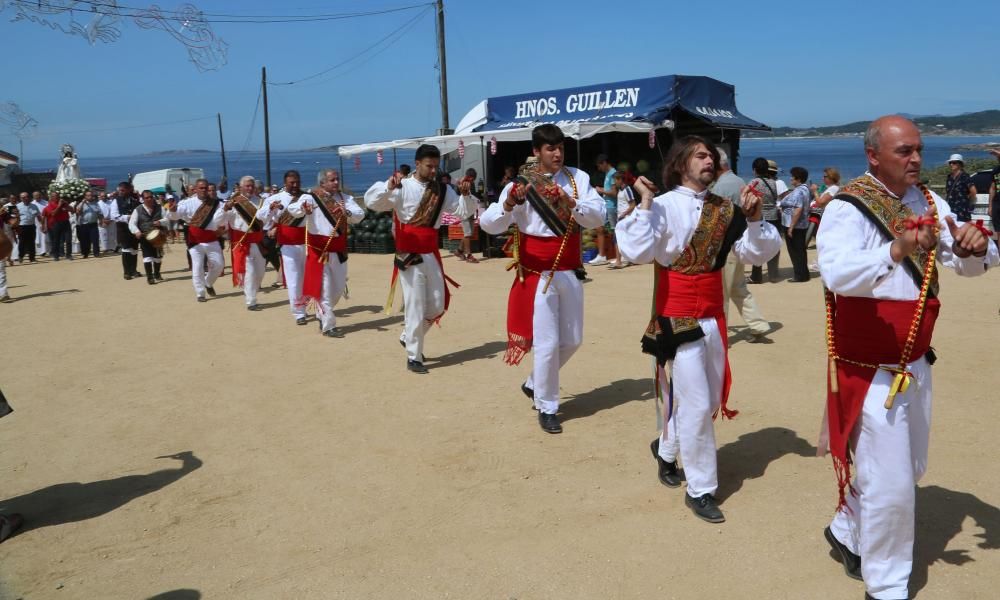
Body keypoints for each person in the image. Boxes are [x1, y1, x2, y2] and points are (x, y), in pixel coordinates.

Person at [817, 116, 998, 600]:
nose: (917, 158)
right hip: (871, 367)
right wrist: (894, 250)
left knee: (906, 467)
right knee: (893, 483)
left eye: (919, 149)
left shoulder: (930, 202)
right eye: (905, 151)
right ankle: (888, 587)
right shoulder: (848, 206)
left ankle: (844, 528)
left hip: (916, 358)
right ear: (873, 155)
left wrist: (975, 247)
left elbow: (970, 264)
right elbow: (835, 274)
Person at [616, 135, 781, 523]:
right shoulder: (661, 206)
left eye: (712, 156)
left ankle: (667, 449)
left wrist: (755, 219)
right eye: (701, 155)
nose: (710, 160)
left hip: (712, 314)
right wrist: (642, 204)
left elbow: (756, 253)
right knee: (694, 404)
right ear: (680, 164)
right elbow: (638, 252)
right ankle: (702, 488)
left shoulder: (725, 209)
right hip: (678, 317)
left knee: (704, 403)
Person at [481, 124, 605, 433]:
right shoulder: (519, 185)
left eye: (560, 147)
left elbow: (598, 215)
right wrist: (509, 204)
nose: (557, 153)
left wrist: (571, 202)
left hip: (570, 270)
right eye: (550, 148)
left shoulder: (579, 179)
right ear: (536, 152)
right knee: (548, 343)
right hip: (539, 275)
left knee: (573, 339)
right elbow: (488, 224)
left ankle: (535, 381)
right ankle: (547, 405)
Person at [364, 144, 476, 374]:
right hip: (409, 253)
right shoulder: (402, 186)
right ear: (417, 164)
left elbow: (463, 212)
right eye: (429, 166)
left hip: (430, 252)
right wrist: (388, 186)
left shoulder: (443, 190)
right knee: (415, 304)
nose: (434, 170)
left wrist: (466, 195)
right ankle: (414, 356)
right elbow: (372, 202)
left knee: (437, 304)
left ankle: (408, 336)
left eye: (436, 166)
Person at [288, 168, 365, 336]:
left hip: (339, 250)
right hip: (319, 251)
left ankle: (321, 314)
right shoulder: (311, 197)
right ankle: (328, 325)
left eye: (337, 179)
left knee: (337, 289)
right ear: (322, 182)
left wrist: (347, 212)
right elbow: (293, 209)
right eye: (332, 180)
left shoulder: (345, 199)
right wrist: (303, 209)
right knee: (325, 289)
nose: (336, 182)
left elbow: (360, 214)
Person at [712, 150, 771, 341]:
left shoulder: (720, 188)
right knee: (738, 287)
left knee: (722, 292)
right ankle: (758, 325)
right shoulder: (739, 181)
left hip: (726, 245)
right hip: (740, 242)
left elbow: (715, 220)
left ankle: (720, 334)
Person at [265, 170, 314, 324]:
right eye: (291, 182)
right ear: (285, 183)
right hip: (287, 244)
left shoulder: (308, 197)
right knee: (294, 279)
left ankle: (306, 302)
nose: (295, 185)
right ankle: (299, 312)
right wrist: (271, 211)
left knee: (308, 276)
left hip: (307, 242)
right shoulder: (274, 199)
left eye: (297, 182)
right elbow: (264, 218)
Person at [167, 178, 227, 302]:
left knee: (219, 265)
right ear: (195, 189)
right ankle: (200, 293)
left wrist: (223, 229)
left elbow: (224, 218)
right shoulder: (187, 203)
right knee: (198, 266)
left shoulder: (217, 203)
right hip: (195, 239)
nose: (204, 190)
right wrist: (172, 211)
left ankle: (208, 283)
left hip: (211, 238)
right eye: (201, 188)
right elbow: (175, 215)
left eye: (206, 188)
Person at [225, 176, 271, 311]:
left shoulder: (262, 202)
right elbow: (219, 220)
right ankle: (251, 301)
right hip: (242, 242)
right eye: (247, 186)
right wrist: (225, 209)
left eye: (252, 186)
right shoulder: (234, 203)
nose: (250, 188)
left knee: (260, 271)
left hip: (258, 241)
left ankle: (251, 291)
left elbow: (267, 219)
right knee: (250, 271)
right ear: (240, 188)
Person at [747, 158, 782, 283]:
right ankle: (773, 274)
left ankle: (756, 276)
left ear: (755, 170)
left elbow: (750, 199)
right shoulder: (772, 182)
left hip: (760, 216)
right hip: (773, 215)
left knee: (758, 245)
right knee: (771, 243)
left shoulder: (753, 182)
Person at [128, 190, 167, 284]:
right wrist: (136, 231)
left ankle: (157, 273)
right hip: (144, 237)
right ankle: (150, 277)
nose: (149, 199)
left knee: (158, 258)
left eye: (150, 197)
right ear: (143, 199)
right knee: (147, 257)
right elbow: (131, 223)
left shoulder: (160, 208)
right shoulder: (138, 209)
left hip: (158, 236)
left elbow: (167, 219)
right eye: (147, 198)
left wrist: (160, 222)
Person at [781, 166, 812, 282]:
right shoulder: (805, 189)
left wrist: (791, 227)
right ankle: (803, 274)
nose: (790, 179)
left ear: (798, 179)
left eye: (792, 177)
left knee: (795, 251)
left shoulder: (799, 191)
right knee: (800, 250)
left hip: (795, 225)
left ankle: (800, 275)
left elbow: (798, 209)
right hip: (801, 224)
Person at [588, 154, 617, 266]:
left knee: (615, 231)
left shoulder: (613, 174)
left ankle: (622, 255)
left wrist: (601, 190)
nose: (599, 169)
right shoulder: (608, 174)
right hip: (606, 206)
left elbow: (614, 193)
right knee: (599, 228)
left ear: (604, 163)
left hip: (612, 207)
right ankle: (601, 256)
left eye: (599, 166)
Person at [110, 182, 143, 279]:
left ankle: (133, 270)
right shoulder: (116, 201)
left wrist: (138, 197)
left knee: (134, 249)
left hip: (135, 228)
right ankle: (127, 272)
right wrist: (128, 217)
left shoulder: (135, 199)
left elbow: (141, 209)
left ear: (129, 190)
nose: (120, 192)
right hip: (123, 229)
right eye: (119, 190)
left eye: (123, 190)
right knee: (126, 249)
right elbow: (114, 216)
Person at [608, 170, 635, 269]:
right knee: (621, 239)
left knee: (617, 238)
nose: (615, 183)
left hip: (625, 218)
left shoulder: (627, 190)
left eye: (615, 180)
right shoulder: (621, 190)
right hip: (622, 218)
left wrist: (623, 214)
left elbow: (633, 205)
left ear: (620, 180)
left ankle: (619, 261)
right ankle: (623, 259)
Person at [455, 168, 480, 263]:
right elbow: (458, 194)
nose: (471, 180)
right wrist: (460, 184)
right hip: (464, 211)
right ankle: (469, 255)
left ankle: (459, 250)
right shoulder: (461, 183)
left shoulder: (472, 184)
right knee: (468, 233)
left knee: (469, 233)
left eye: (473, 179)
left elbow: (473, 195)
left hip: (470, 210)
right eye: (470, 178)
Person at [944, 153, 977, 223]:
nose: (951, 164)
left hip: (962, 209)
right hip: (950, 207)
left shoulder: (965, 176)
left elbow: (973, 191)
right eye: (950, 163)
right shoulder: (949, 177)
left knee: (962, 228)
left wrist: (968, 202)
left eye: (954, 163)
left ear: (960, 164)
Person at [42, 191, 72, 261]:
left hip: (66, 222)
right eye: (55, 196)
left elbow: (72, 210)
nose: (57, 197)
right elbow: (53, 214)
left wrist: (67, 205)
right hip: (56, 223)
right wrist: (59, 206)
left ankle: (69, 255)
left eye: (58, 196)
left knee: (68, 239)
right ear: (52, 197)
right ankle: (56, 255)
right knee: (56, 240)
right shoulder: (49, 205)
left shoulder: (64, 204)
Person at [75, 190, 103, 258]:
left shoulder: (96, 204)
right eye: (88, 195)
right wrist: (82, 203)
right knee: (85, 240)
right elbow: (78, 212)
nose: (90, 197)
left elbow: (100, 213)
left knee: (95, 239)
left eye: (91, 195)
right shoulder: (81, 203)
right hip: (84, 224)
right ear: (85, 197)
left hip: (93, 224)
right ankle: (85, 253)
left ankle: (96, 253)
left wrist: (101, 220)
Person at [17, 192, 41, 263]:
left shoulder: (34, 206)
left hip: (31, 226)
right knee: (22, 242)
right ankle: (21, 256)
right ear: (20, 198)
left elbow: (38, 216)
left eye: (27, 197)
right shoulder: (17, 206)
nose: (26, 198)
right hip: (21, 226)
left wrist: (42, 225)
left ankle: (32, 258)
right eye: (23, 197)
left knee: (32, 242)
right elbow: (14, 218)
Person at [988, 149, 1000, 232]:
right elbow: (992, 188)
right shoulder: (995, 170)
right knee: (999, 232)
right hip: (997, 204)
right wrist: (990, 206)